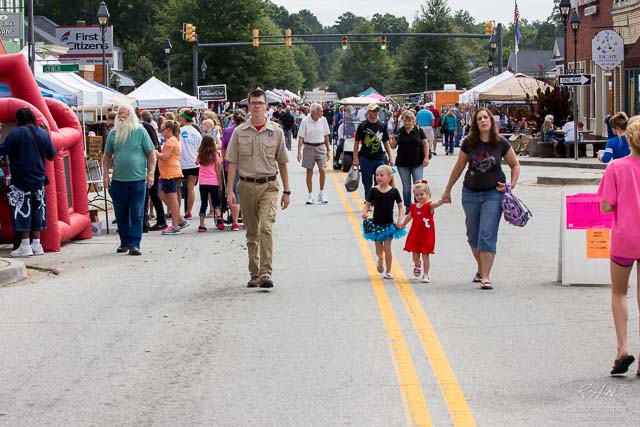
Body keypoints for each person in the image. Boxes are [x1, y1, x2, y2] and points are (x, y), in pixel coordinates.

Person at [441, 107, 520, 290]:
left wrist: (512, 184)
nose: (483, 121)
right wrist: (447, 189)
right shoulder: (469, 143)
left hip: (493, 193)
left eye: (486, 118)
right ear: (475, 123)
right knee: (473, 235)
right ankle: (481, 267)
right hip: (470, 193)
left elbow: (515, 165)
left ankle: (485, 276)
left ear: (491, 121)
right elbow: (459, 166)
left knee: (487, 233)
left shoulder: (500, 143)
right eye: (479, 119)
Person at [226, 88, 290, 289]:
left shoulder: (276, 131)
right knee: (252, 232)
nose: (256, 106)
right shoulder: (239, 132)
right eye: (253, 103)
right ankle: (254, 273)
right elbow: (232, 163)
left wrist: (287, 191)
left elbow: (282, 163)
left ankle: (265, 272)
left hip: (269, 185)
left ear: (266, 106)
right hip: (246, 186)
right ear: (248, 106)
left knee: (266, 228)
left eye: (259, 103)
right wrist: (229, 191)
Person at [597, 114, 640, 376]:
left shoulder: (616, 167)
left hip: (625, 238)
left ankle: (622, 349)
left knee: (619, 293)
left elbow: (605, 205)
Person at [0, 108, 56, 257]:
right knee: (38, 210)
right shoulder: (43, 134)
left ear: (18, 120)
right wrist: (47, 134)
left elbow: (2, 150)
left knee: (21, 209)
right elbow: (52, 154)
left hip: (20, 179)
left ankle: (25, 246)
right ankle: (37, 245)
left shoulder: (16, 134)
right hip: (39, 179)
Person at [102, 105, 156, 255]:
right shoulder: (113, 133)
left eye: (124, 113)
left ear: (131, 115)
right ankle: (124, 242)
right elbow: (107, 155)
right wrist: (105, 174)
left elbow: (151, 153)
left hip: (138, 179)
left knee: (137, 213)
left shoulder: (140, 131)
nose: (121, 116)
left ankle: (134, 244)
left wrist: (151, 173)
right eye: (119, 114)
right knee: (121, 213)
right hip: (118, 180)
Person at [361, 165, 406, 279]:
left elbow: (401, 207)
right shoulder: (374, 190)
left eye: (382, 175)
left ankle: (389, 270)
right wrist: (365, 212)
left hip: (388, 225)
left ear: (390, 177)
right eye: (377, 175)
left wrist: (400, 220)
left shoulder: (394, 191)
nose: (379, 177)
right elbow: (367, 203)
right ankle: (380, 259)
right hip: (376, 225)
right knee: (378, 250)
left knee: (387, 248)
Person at [401, 180, 445, 283]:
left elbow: (437, 203)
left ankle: (426, 274)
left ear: (428, 194)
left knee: (426, 254)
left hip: (426, 235)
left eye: (422, 194)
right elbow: (410, 216)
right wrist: (403, 224)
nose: (420, 197)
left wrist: (443, 200)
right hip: (415, 234)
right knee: (415, 255)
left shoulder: (429, 206)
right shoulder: (414, 207)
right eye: (417, 195)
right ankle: (417, 264)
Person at [390, 111, 429, 212]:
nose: (407, 123)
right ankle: (408, 206)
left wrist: (426, 157)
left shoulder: (418, 131)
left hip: (417, 162)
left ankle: (419, 205)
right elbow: (392, 146)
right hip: (403, 163)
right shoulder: (400, 131)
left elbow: (425, 143)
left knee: (418, 185)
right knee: (406, 187)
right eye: (405, 121)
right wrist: (394, 139)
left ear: (413, 121)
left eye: (409, 121)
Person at [353, 103, 394, 198]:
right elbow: (356, 143)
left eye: (377, 111)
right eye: (373, 111)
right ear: (368, 112)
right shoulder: (363, 126)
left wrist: (390, 157)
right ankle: (368, 200)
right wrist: (355, 158)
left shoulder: (381, 125)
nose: (376, 113)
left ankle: (377, 199)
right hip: (365, 157)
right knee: (367, 182)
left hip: (379, 157)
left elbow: (385, 142)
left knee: (380, 180)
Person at [156, 120, 188, 235]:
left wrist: (155, 152)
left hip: (170, 172)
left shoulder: (171, 141)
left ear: (168, 130)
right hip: (168, 171)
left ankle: (175, 225)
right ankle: (178, 219)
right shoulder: (174, 139)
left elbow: (165, 157)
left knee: (172, 197)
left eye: (163, 129)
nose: (162, 132)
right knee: (163, 194)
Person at [297, 103, 331, 204]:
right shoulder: (305, 122)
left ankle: (321, 193)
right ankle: (310, 195)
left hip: (320, 146)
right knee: (309, 171)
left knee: (322, 169)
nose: (322, 112)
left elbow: (326, 136)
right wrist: (299, 151)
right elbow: (301, 137)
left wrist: (328, 150)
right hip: (308, 147)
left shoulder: (323, 120)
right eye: (320, 110)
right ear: (314, 112)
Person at [140, 111, 166, 231]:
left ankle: (154, 221)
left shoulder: (145, 127)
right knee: (151, 193)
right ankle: (155, 220)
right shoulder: (145, 127)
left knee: (151, 193)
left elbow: (154, 147)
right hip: (147, 166)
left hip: (150, 165)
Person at [221, 110, 245, 231]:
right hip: (247, 165)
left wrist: (224, 161)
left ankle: (235, 222)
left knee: (232, 192)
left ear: (233, 119)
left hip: (231, 166)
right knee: (246, 192)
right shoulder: (248, 130)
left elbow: (223, 148)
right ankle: (246, 220)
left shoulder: (228, 131)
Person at [196, 135, 224, 232]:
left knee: (204, 203)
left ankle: (201, 225)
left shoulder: (200, 155)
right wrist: (220, 182)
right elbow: (217, 170)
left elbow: (196, 163)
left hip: (203, 182)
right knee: (215, 202)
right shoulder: (215, 156)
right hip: (213, 182)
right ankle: (219, 217)